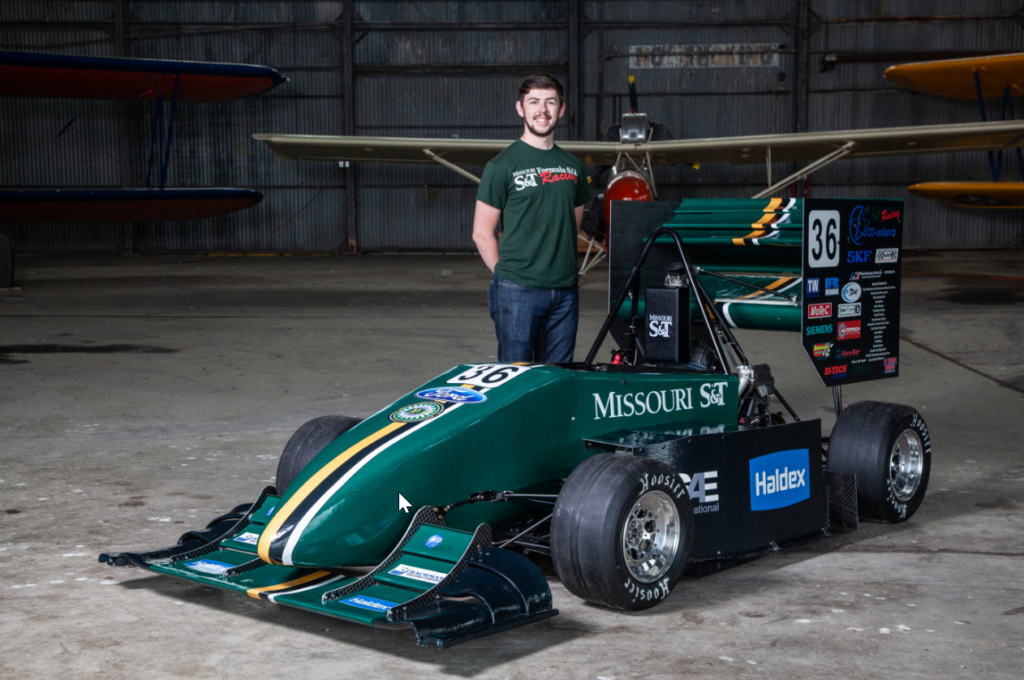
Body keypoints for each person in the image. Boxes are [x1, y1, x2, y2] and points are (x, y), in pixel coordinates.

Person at [472, 74, 592, 363]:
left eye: (551, 102)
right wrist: (509, 277)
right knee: (517, 375)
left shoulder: (573, 167)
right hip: (517, 289)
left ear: (561, 109)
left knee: (557, 376)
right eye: (534, 102)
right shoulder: (501, 166)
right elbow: (482, 232)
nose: (543, 110)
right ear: (520, 108)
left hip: (565, 291)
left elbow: (572, 226)